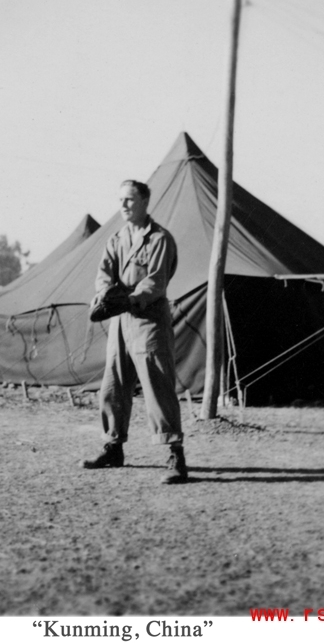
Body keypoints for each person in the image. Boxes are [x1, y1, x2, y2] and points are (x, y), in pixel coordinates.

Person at [81, 179, 188, 484]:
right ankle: (113, 446)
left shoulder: (160, 240)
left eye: (129, 200)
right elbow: (104, 274)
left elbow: (154, 282)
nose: (123, 206)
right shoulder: (116, 239)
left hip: (148, 319)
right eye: (120, 200)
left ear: (144, 202)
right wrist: (104, 295)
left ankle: (174, 455)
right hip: (119, 320)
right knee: (113, 384)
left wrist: (128, 299)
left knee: (158, 386)